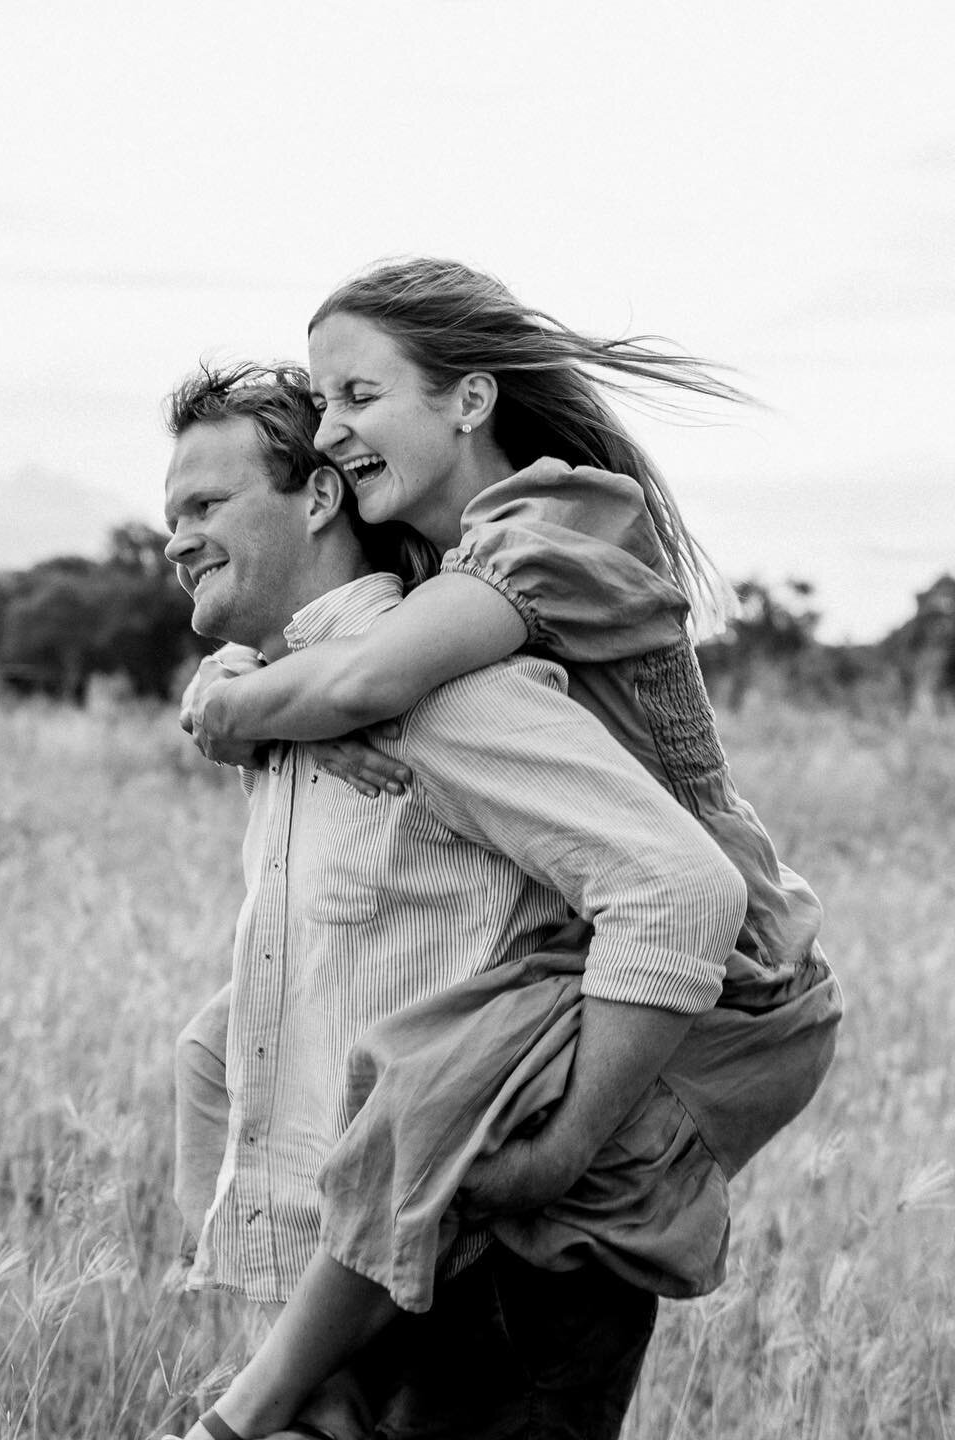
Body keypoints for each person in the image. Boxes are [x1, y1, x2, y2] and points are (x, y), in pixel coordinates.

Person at [172, 261, 839, 1438]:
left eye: (359, 397)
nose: (334, 434)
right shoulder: (446, 568)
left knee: (419, 1089)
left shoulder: (539, 543)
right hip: (617, 939)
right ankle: (282, 1368)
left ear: (470, 401)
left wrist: (246, 703)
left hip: (732, 964)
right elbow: (360, 665)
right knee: (223, 1045)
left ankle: (256, 1402)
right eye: (324, 407)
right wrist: (244, 678)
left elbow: (382, 676)